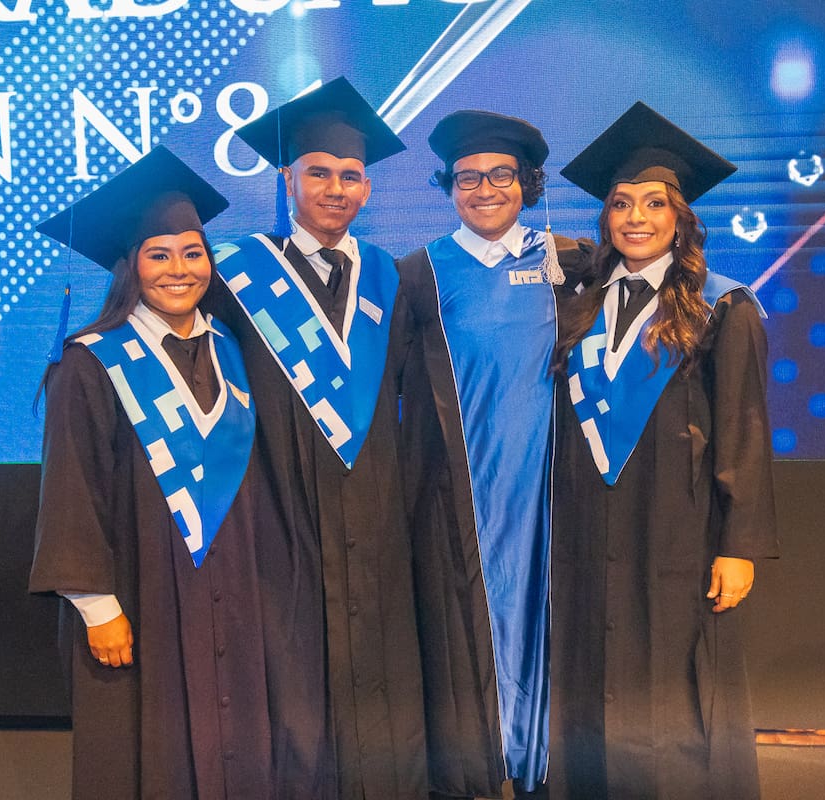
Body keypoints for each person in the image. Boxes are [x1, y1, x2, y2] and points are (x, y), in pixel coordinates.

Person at [29, 146, 281, 799]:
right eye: (159, 254)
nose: (179, 269)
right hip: (141, 592)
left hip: (233, 588)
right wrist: (95, 604)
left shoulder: (235, 348)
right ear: (130, 267)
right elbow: (72, 487)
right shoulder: (90, 364)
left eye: (193, 252)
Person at [546, 102, 779, 799]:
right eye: (621, 204)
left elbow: (744, 431)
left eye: (654, 203)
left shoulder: (721, 308)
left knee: (676, 680)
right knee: (593, 669)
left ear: (681, 216)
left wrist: (738, 545)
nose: (636, 218)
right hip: (588, 526)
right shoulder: (579, 303)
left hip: (677, 528)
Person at [206, 77, 428, 799]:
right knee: (292, 686)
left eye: (351, 176)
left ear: (367, 188)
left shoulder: (388, 278)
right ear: (286, 179)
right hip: (280, 511)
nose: (336, 188)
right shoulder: (235, 275)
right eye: (319, 173)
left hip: (373, 507)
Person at [396, 109, 589, 800]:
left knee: (544, 617)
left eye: (500, 175)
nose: (484, 189)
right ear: (449, 186)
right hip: (464, 490)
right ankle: (481, 765)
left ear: (527, 182)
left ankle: (538, 764)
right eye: (467, 178)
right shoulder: (418, 274)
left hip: (548, 486)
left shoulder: (571, 261)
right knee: (475, 625)